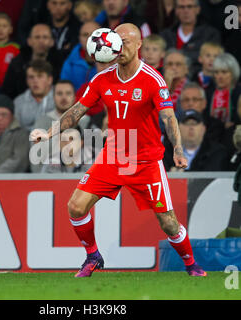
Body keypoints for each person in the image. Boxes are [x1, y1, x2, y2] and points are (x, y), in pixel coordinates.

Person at [31, 23, 207, 278]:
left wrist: (178, 150)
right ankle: (93, 256)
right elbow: (77, 111)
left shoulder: (153, 79)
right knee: (76, 206)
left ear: (139, 46)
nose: (118, 47)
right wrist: (48, 133)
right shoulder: (102, 79)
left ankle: (191, 265)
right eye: (116, 41)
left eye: (125, 42)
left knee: (168, 222)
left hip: (146, 161)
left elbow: (169, 118)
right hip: (113, 157)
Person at [32, 79, 91, 173]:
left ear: (75, 97)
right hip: (49, 176)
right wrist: (41, 179)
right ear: (53, 97)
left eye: (68, 93)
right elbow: (36, 157)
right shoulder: (42, 122)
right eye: (59, 93)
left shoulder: (87, 122)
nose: (64, 97)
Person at [160, 0, 221, 76]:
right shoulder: (166, 35)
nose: (186, 11)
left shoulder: (210, 34)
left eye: (190, 6)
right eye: (181, 7)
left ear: (198, 9)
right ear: (176, 10)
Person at [2, 23, 61, 99]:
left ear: (52, 42)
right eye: (37, 37)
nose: (41, 41)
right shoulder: (17, 63)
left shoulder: (60, 63)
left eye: (45, 37)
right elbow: (7, 91)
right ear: (29, 41)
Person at [163, 109, 228, 171]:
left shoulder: (217, 152)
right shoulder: (165, 152)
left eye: (194, 123)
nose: (191, 127)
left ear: (203, 129)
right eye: (187, 123)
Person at [14, 60, 55, 132]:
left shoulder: (61, 98)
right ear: (26, 80)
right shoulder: (19, 102)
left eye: (40, 76)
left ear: (49, 80)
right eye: (31, 77)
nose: (35, 81)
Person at [60, 21, 99, 91]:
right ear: (79, 39)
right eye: (85, 35)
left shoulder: (112, 62)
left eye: (94, 35)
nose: (90, 39)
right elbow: (64, 90)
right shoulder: (70, 63)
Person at [206, 53, 241, 129]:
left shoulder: (239, 93)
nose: (220, 76)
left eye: (224, 72)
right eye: (216, 72)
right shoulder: (208, 93)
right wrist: (221, 125)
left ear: (233, 73)